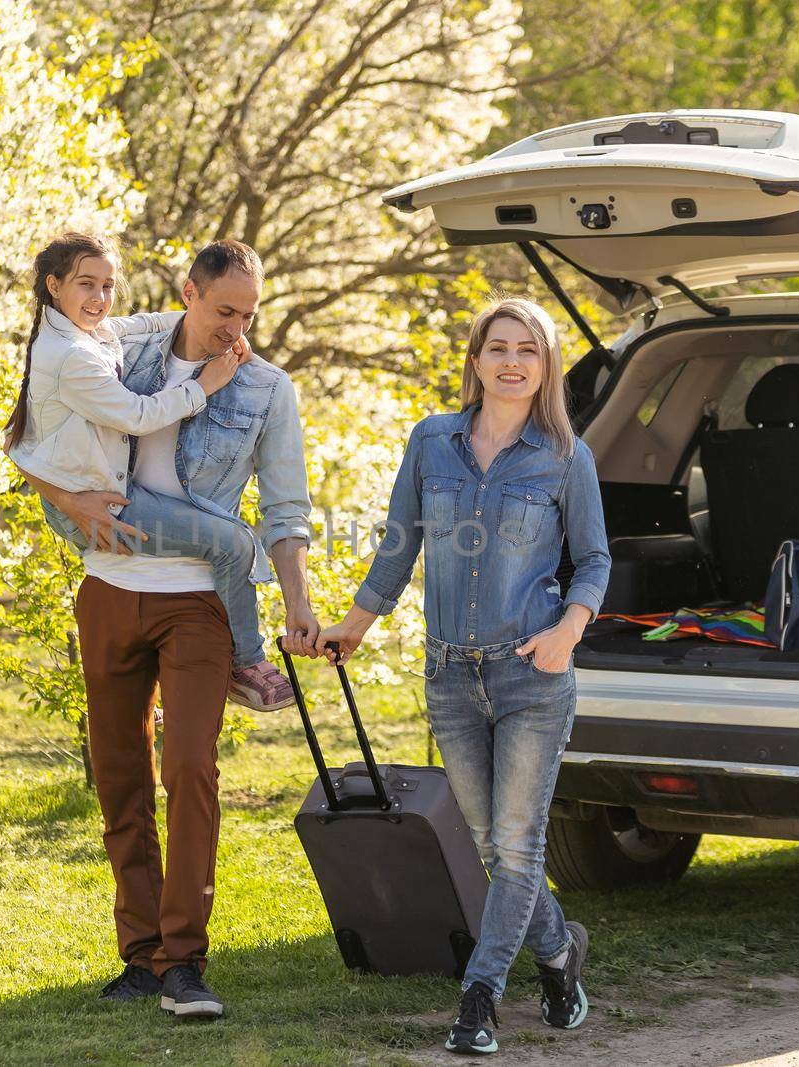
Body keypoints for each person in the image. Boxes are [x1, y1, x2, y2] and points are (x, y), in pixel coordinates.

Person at [14, 240, 321, 1019]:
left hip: (197, 607)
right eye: (224, 311)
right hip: (109, 590)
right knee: (118, 776)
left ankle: (185, 960)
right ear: (189, 292)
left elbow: (284, 514)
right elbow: (29, 432)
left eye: (250, 315)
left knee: (188, 770)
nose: (237, 329)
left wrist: (297, 602)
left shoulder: (266, 389)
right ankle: (141, 956)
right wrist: (73, 502)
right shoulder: (121, 340)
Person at [321, 298, 611, 1055]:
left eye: (529, 350)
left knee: (515, 845)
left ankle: (478, 997)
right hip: (450, 677)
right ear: (476, 359)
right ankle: (558, 955)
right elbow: (398, 542)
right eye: (499, 347)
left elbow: (596, 559)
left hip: (532, 679)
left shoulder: (565, 456)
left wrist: (568, 632)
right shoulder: (431, 442)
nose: (513, 361)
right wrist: (356, 622)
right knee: (496, 847)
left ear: (545, 367)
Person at [4, 232, 296, 712]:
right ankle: (246, 663)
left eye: (107, 286)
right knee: (236, 543)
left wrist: (193, 323)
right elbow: (138, 417)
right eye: (86, 285)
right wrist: (206, 384)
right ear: (54, 286)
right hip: (102, 504)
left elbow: (145, 323)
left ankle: (222, 665)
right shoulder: (72, 356)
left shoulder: (89, 332)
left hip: (103, 500)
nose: (99, 298)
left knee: (232, 543)